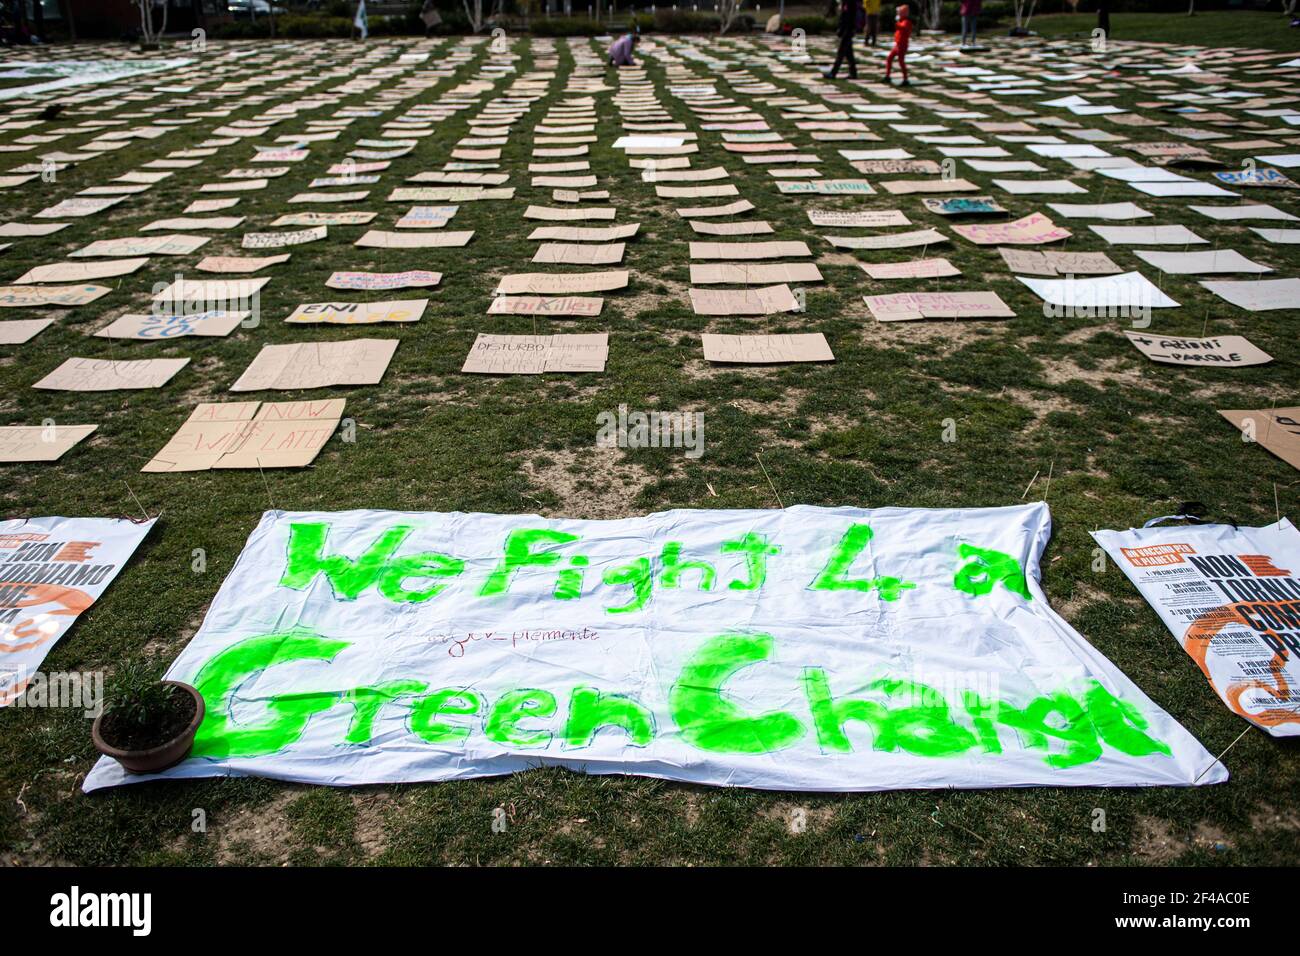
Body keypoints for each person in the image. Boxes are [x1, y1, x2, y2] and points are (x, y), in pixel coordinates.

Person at [826, 0, 862, 80]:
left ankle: (833, 73)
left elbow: (849, 18)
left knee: (841, 52)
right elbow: (843, 17)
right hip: (846, 30)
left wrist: (845, 30)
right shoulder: (845, 2)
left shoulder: (850, 2)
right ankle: (853, 73)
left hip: (848, 30)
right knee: (849, 54)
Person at [883, 3, 912, 86]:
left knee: (901, 62)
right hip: (897, 45)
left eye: (900, 13)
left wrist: (897, 23)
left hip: (902, 45)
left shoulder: (906, 21)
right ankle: (887, 76)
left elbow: (903, 28)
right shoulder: (901, 21)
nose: (898, 14)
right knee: (889, 58)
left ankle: (905, 79)